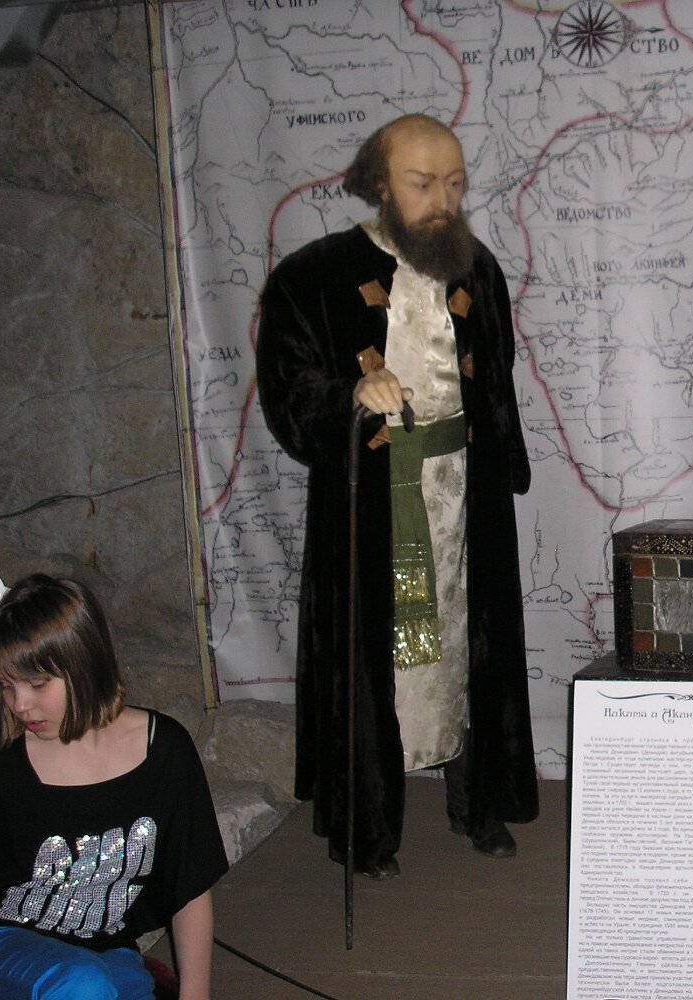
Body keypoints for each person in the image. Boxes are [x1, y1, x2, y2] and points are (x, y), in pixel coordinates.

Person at [256, 114, 538, 875]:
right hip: (372, 500)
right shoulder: (312, 277)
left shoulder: (477, 271)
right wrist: (350, 395)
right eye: (422, 184)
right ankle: (370, 828)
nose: (442, 201)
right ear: (380, 185)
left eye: (454, 183)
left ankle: (478, 803)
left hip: (464, 498)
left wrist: (503, 463)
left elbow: (496, 383)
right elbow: (289, 391)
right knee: (377, 653)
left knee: (470, 647)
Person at [0, 574, 229, 999]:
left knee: (120, 986)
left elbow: (189, 889)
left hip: (107, 952)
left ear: (85, 664)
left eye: (37, 684)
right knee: (83, 984)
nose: (19, 704)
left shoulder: (164, 751)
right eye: (7, 686)